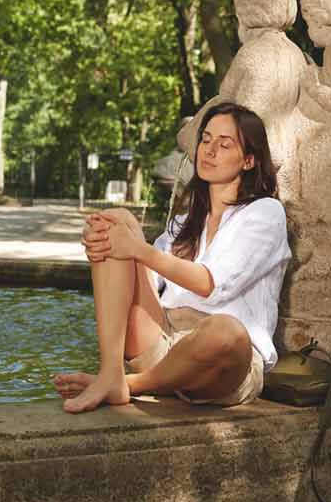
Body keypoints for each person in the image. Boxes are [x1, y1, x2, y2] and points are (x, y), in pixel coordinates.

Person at [54, 102, 291, 413]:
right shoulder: (186, 222)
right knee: (115, 219)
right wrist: (105, 241)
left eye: (224, 144)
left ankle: (130, 384)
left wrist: (137, 249)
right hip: (163, 341)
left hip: (222, 364)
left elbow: (211, 284)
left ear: (248, 160)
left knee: (228, 331)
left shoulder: (265, 213)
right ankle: (111, 370)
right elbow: (149, 279)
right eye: (206, 140)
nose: (209, 150)